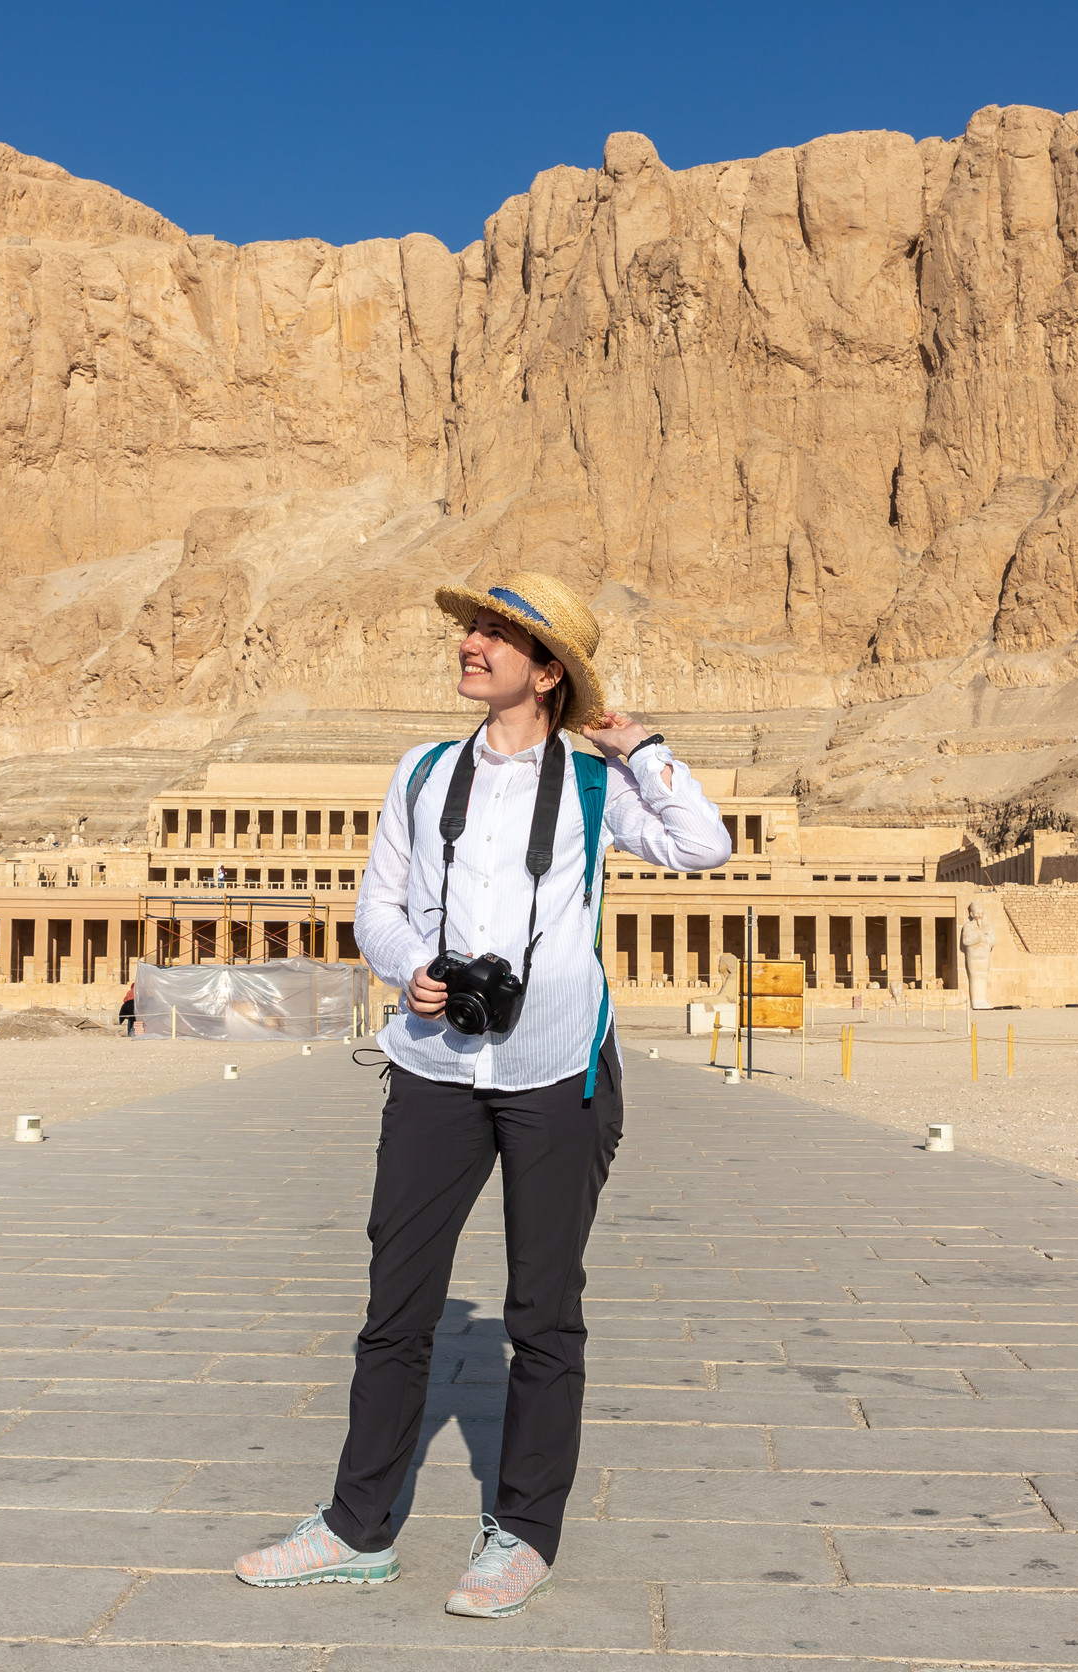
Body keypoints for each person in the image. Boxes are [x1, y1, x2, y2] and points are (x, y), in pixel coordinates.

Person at [232, 571, 732, 1617]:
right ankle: (357, 1528)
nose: (471, 643)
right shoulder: (421, 772)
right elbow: (378, 904)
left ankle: (524, 1534)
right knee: (395, 1306)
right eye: (472, 628)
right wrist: (410, 964)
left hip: (559, 1074)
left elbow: (704, 843)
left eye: (498, 635)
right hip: (435, 1067)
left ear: (546, 673)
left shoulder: (595, 787)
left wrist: (638, 746)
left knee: (543, 1313)